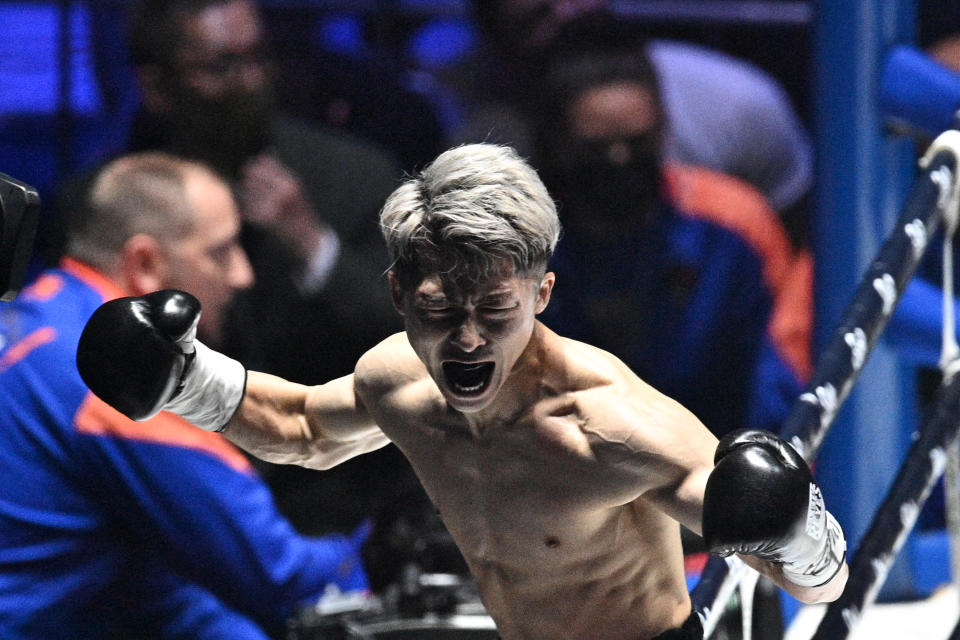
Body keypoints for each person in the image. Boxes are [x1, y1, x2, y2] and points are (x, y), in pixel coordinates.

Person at [79, 143, 848, 640]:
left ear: (542, 293)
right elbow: (304, 429)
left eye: (495, 311)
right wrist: (186, 379)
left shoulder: (611, 427)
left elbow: (822, 584)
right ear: (397, 294)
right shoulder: (399, 384)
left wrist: (801, 534)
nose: (469, 339)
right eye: (441, 312)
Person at [0, 152, 368, 640]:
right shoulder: (114, 378)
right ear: (145, 264)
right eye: (221, 251)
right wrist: (370, 554)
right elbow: (278, 576)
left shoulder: (38, 312)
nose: (242, 275)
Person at [125, 0, 417, 548]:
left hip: (345, 499)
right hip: (176, 501)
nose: (251, 81)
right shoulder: (118, 200)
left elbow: (416, 342)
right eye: (221, 67)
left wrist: (311, 244)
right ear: (159, 87)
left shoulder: (352, 174)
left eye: (259, 58)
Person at [534, 43, 812, 440]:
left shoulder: (734, 225)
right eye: (596, 150)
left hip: (716, 464)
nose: (619, 160)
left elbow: (782, 367)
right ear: (558, 144)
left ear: (664, 128)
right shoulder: (522, 240)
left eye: (637, 143)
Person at [449, 0, 814, 245]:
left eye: (638, 143)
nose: (566, 18)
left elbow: (800, 245)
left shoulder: (735, 103)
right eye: (536, 17)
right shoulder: (483, 154)